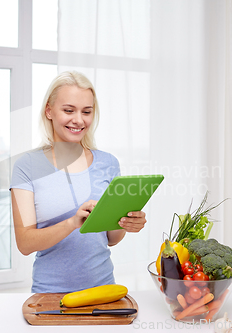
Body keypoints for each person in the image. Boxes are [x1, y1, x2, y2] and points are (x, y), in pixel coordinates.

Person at [10, 71, 147, 293]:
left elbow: (111, 239)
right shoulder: (27, 166)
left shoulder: (108, 163)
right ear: (49, 111)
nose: (79, 120)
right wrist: (72, 223)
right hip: (50, 294)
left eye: (86, 112)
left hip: (103, 291)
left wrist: (126, 222)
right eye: (68, 110)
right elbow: (25, 243)